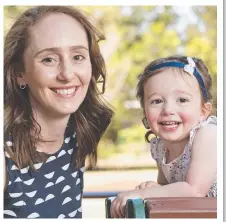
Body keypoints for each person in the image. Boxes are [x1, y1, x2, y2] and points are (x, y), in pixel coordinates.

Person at [4, 6, 113, 218]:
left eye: (78, 57)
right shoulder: (5, 154)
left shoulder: (81, 131)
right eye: (49, 59)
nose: (67, 74)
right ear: (19, 73)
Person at [110, 55, 217, 218]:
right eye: (157, 101)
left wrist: (145, 193)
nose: (168, 109)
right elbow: (167, 187)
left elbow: (194, 191)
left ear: (203, 111)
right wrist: (154, 187)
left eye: (182, 100)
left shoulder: (208, 134)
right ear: (145, 112)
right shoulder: (160, 147)